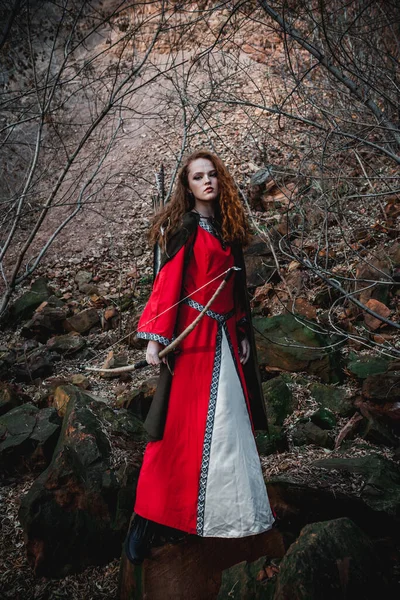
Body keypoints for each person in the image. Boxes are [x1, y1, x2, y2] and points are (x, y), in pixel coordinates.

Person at [125, 150, 274, 564]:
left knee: (226, 432)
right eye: (198, 177)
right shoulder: (186, 229)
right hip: (193, 344)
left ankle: (221, 518)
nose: (207, 181)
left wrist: (241, 328)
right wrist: (155, 340)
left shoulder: (227, 229)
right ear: (186, 185)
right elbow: (167, 282)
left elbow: (236, 288)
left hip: (224, 338)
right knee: (177, 431)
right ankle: (146, 520)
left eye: (212, 175)